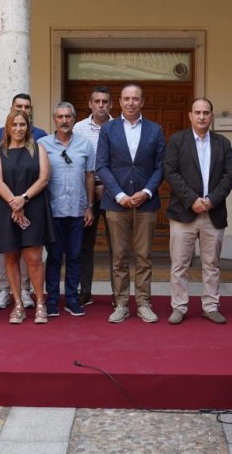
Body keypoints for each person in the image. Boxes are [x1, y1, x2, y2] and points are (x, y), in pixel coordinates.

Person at [163, 97, 232, 325]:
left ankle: (210, 306)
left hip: (213, 213)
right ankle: (179, 307)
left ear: (211, 116)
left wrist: (212, 200)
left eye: (206, 113)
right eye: (198, 112)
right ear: (190, 115)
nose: (202, 116)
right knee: (180, 264)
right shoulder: (177, 141)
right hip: (183, 213)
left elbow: (230, 175)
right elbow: (170, 172)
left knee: (212, 264)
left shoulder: (223, 143)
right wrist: (192, 199)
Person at [97, 84, 166, 324]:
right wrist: (118, 194)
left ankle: (144, 303)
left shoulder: (155, 130)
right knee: (119, 257)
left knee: (144, 256)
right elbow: (102, 165)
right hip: (116, 203)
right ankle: (122, 304)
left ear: (142, 102)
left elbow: (160, 167)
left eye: (135, 99)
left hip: (146, 203)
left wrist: (146, 192)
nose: (130, 103)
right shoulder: (108, 129)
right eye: (126, 99)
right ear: (119, 102)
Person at [0, 110, 54, 324]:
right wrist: (14, 203)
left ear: (28, 127)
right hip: (6, 208)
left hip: (33, 206)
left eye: (22, 125)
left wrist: (23, 199)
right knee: (11, 257)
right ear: (8, 127)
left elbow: (43, 178)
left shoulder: (38, 148)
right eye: (14, 124)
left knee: (34, 258)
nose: (18, 128)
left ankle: (40, 302)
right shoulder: (0, 151)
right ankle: (18, 304)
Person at [39, 102, 95, 317]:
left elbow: (89, 176)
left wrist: (89, 206)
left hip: (78, 211)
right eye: (60, 116)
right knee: (54, 258)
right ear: (54, 119)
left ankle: (72, 299)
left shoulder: (85, 144)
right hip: (52, 212)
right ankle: (52, 299)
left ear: (74, 119)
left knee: (74, 257)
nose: (64, 120)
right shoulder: (42, 144)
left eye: (68, 116)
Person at [73, 86, 113, 306]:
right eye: (97, 101)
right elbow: (75, 160)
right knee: (84, 245)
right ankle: (85, 290)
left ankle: (118, 294)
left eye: (105, 101)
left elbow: (123, 162)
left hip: (113, 193)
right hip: (85, 192)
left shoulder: (119, 127)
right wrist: (91, 188)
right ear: (90, 104)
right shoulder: (78, 128)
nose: (101, 105)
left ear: (111, 104)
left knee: (116, 246)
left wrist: (105, 185)